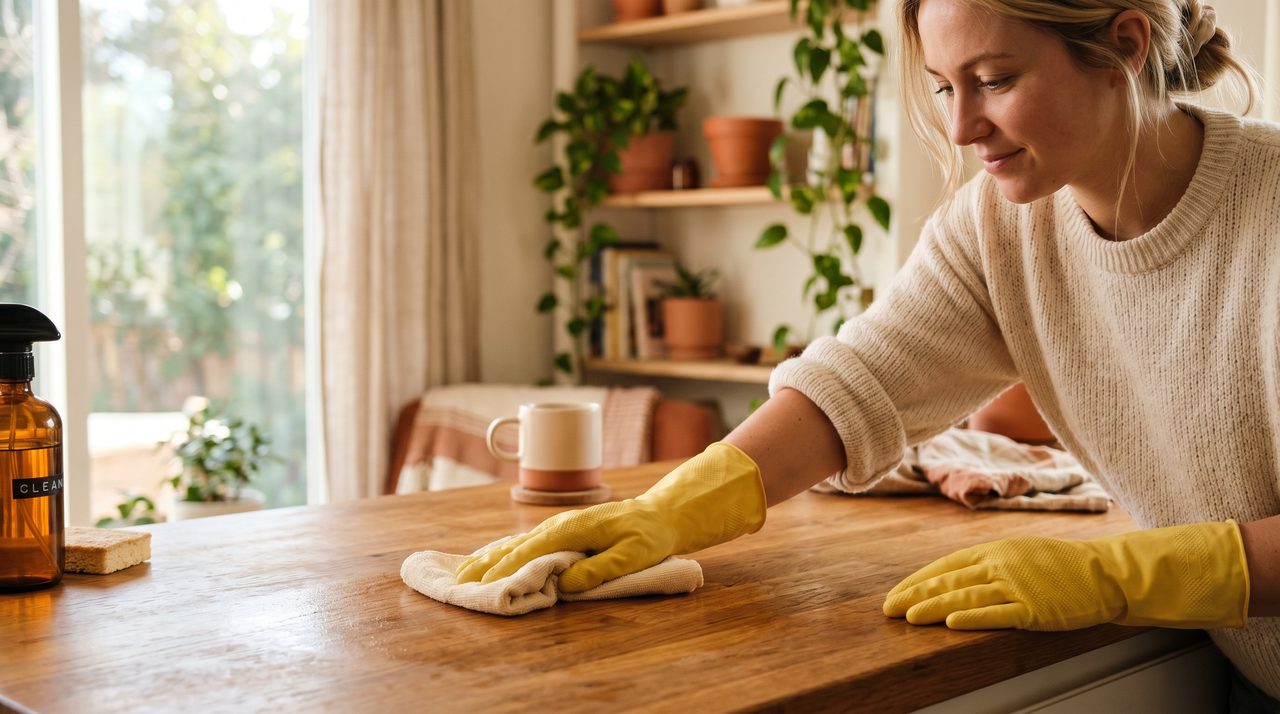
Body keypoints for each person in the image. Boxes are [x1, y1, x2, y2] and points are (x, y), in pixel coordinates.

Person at [459, 0, 1280, 705]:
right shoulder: (995, 228)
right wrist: (674, 506)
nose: (961, 127)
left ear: (1126, 46)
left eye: (995, 80)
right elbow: (860, 384)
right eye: (945, 87)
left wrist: (1119, 576)